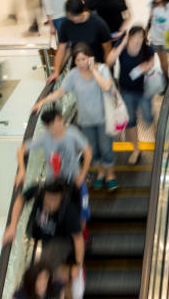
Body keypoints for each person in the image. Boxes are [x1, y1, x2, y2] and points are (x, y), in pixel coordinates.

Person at [35, 43, 118, 190]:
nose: (81, 63)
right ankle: (100, 173)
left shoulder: (102, 69)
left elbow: (106, 86)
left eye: (84, 59)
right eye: (78, 60)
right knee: (93, 148)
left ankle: (110, 174)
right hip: (86, 121)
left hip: (104, 119)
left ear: (90, 58)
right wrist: (43, 101)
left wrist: (94, 70)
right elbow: (60, 92)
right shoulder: (73, 75)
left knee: (106, 148)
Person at [16, 107, 91, 218]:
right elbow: (21, 150)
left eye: (59, 121)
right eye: (54, 125)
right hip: (54, 185)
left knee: (82, 211)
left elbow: (88, 151)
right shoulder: (44, 138)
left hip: (75, 180)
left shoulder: (72, 133)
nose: (59, 126)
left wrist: (82, 175)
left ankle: (81, 232)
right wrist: (22, 169)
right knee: (58, 212)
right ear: (47, 127)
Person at [3, 177, 85, 268]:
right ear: (44, 195)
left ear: (61, 198)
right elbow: (21, 199)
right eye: (49, 199)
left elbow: (78, 239)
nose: (51, 204)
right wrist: (13, 225)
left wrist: (78, 266)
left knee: (48, 264)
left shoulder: (69, 210)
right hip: (45, 241)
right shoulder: (39, 191)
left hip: (62, 245)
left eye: (55, 200)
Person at [106, 27, 156, 166]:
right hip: (126, 90)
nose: (137, 42)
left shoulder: (147, 49)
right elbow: (109, 61)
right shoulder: (122, 47)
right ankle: (136, 149)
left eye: (140, 38)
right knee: (131, 120)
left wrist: (147, 66)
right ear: (129, 38)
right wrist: (122, 44)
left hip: (144, 90)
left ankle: (156, 141)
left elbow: (152, 61)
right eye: (134, 38)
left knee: (148, 117)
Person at [51, 0, 112, 84]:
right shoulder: (66, 23)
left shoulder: (98, 23)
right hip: (77, 69)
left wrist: (105, 71)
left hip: (95, 68)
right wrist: (56, 71)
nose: (73, 19)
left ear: (82, 11)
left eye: (76, 16)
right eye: (70, 16)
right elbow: (61, 49)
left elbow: (108, 49)